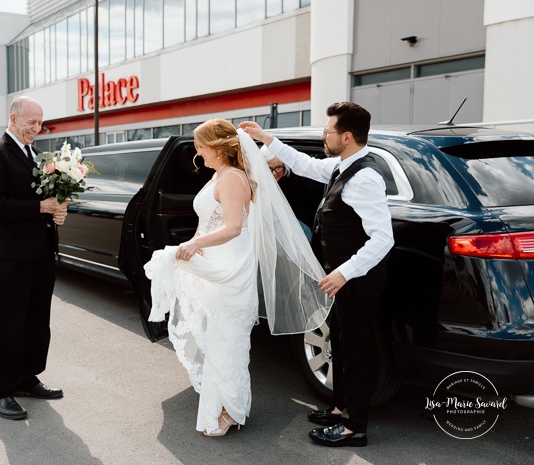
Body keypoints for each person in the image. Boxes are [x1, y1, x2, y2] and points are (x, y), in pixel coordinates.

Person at [145, 119, 330, 437]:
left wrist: (194, 245)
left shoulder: (232, 178)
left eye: (200, 146)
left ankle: (233, 410)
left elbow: (232, 226)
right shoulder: (219, 175)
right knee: (216, 339)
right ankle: (221, 404)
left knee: (229, 340)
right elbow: (207, 219)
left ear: (217, 147)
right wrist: (197, 242)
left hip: (231, 266)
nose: (198, 153)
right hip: (215, 259)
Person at [240, 101, 394, 447]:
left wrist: (343, 273)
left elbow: (384, 238)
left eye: (328, 132)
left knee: (357, 349)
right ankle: (340, 408)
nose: (324, 136)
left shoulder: (365, 177)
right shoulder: (343, 166)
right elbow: (306, 165)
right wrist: (267, 138)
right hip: (339, 279)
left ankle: (355, 426)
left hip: (356, 281)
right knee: (338, 342)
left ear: (348, 136)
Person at [0, 96, 68, 421]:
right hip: (13, 255)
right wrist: (39, 207)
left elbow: (44, 197)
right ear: (13, 118)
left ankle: (26, 378)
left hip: (42, 250)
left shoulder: (37, 155)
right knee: (10, 324)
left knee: (36, 321)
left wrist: (58, 208)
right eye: (31, 122)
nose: (36, 128)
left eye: (40, 122)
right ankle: (0, 392)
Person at [267, 159, 313, 240]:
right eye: (269, 168)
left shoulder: (296, 183)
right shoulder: (254, 185)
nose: (274, 173)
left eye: (278, 167)